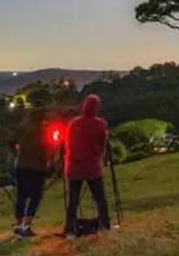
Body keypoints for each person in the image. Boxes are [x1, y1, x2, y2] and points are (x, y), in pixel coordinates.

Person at [64, 94, 111, 238]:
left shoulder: (74, 123)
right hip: (91, 165)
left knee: (73, 199)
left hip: (74, 165)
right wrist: (99, 156)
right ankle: (105, 224)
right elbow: (102, 144)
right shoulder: (100, 124)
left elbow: (68, 143)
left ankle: (70, 228)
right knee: (99, 197)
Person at [9, 105, 55, 238]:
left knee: (21, 195)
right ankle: (26, 225)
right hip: (36, 166)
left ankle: (19, 224)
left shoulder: (22, 128)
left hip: (21, 164)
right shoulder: (42, 130)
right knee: (36, 195)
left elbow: (10, 140)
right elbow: (47, 148)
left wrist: (16, 151)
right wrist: (50, 162)